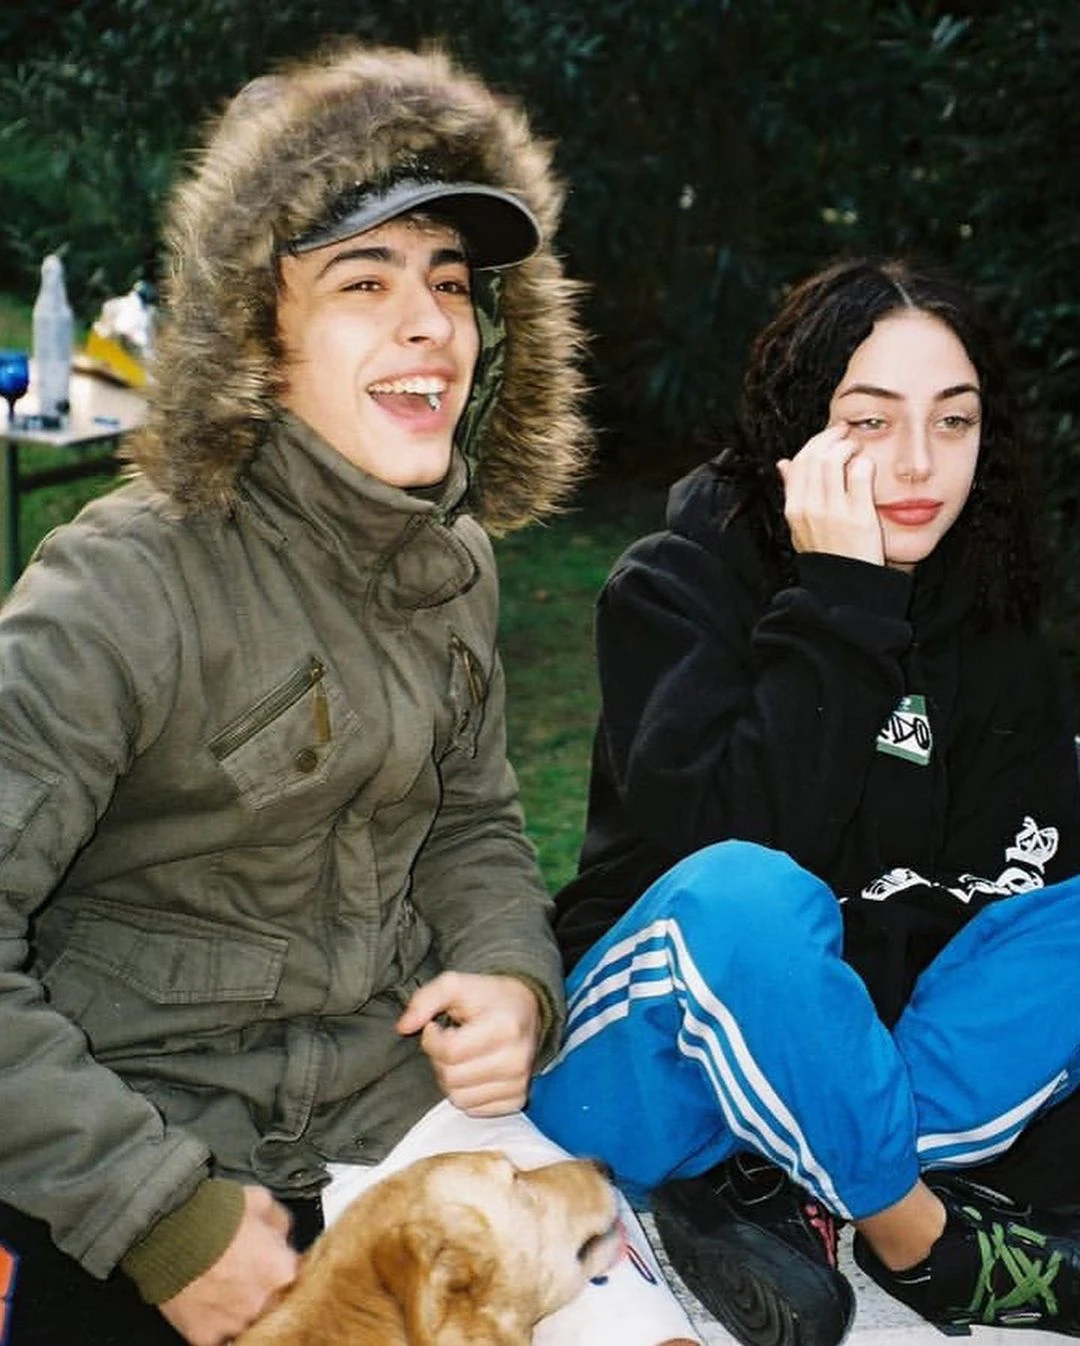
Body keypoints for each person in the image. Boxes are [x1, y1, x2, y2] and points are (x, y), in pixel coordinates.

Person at [0, 43, 699, 1346]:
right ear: (254, 337)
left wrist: (511, 974)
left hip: (399, 1114)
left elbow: (475, 819)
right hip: (158, 1153)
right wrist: (152, 1212)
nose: (430, 323)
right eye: (364, 281)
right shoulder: (118, 590)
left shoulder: (453, 562)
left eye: (450, 282)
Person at [527, 256, 1080, 1346]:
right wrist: (845, 606)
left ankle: (780, 1176)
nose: (918, 461)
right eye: (870, 421)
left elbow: (1008, 915)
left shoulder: (996, 626)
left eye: (954, 420)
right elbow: (728, 859)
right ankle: (919, 1238)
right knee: (748, 896)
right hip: (653, 1060)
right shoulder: (674, 582)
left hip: (864, 1064)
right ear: (799, 433)